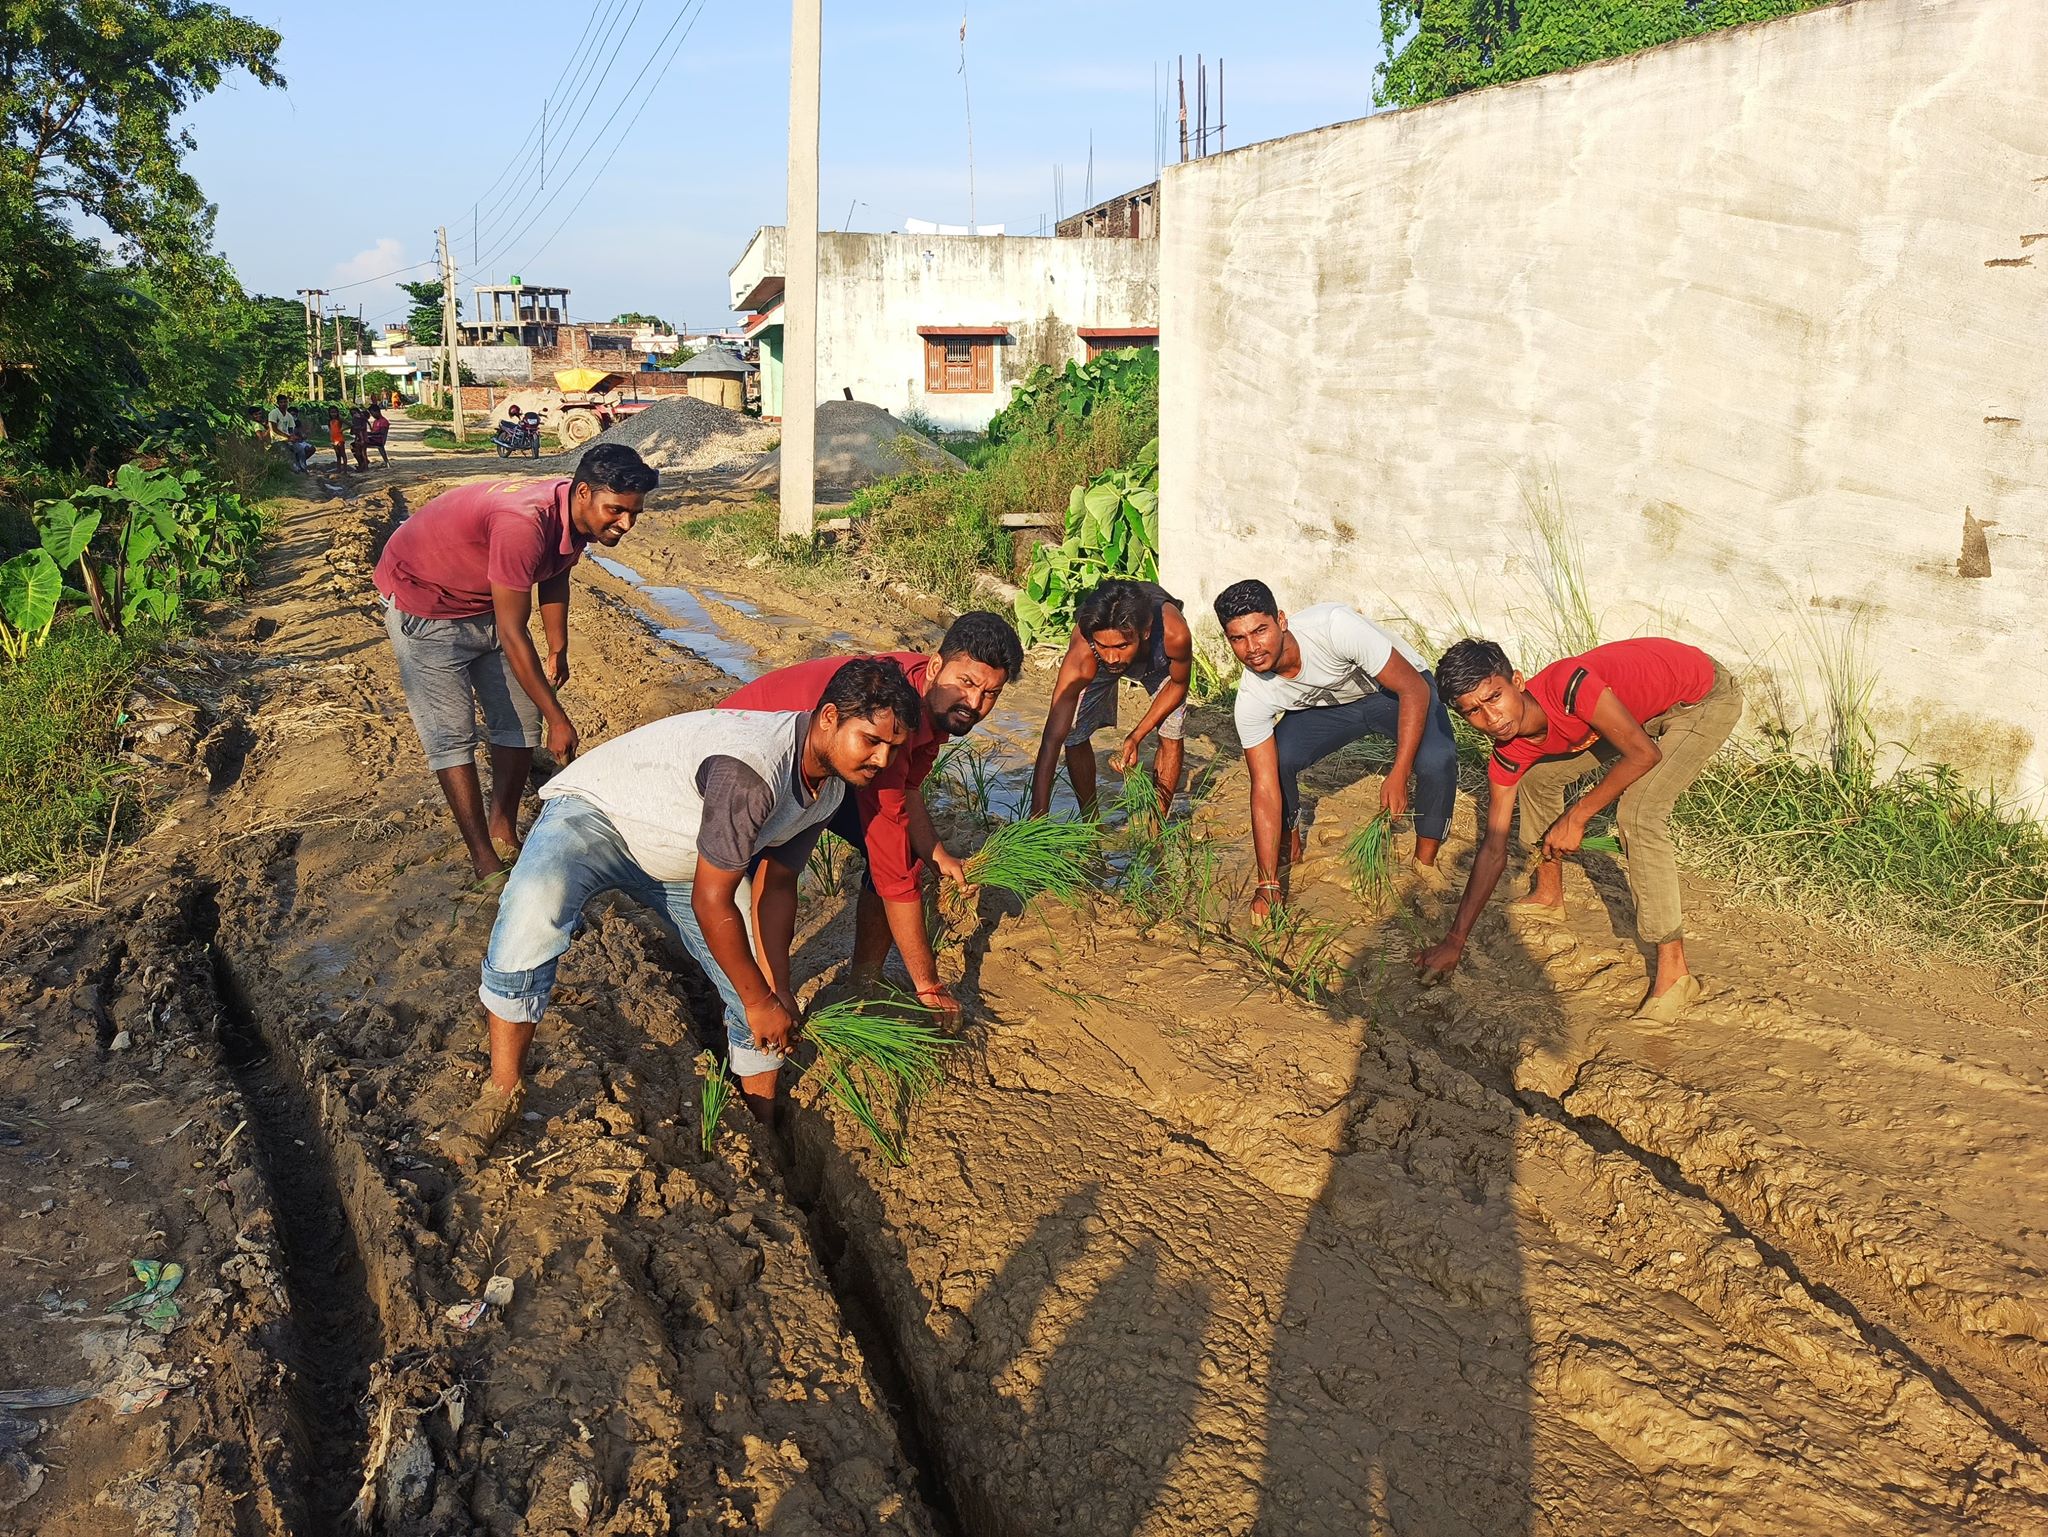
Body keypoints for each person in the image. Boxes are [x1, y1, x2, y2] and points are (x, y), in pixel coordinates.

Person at [440, 660, 924, 1164]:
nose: (882, 759)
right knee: (531, 913)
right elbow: (711, 900)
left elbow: (777, 884)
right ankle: (502, 1090)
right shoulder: (755, 770)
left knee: (753, 981)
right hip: (602, 817)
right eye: (871, 740)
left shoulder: (830, 788)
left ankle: (763, 1128)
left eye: (893, 747)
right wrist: (762, 1004)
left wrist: (775, 988)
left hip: (685, 855)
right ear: (828, 717)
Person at [1414, 636, 1743, 1022]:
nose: (1492, 718)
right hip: (1635, 710)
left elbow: (1644, 753)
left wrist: (1578, 815)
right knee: (1539, 779)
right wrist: (1455, 941)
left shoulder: (1569, 687)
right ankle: (1549, 894)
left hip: (1700, 697)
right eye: (1473, 711)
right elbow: (1493, 849)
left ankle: (1675, 974)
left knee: (1639, 812)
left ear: (1517, 680)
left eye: (1494, 697)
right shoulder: (1508, 754)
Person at [373, 443, 659, 878]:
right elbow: (512, 633)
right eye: (617, 511)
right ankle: (482, 857)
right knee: (452, 734)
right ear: (584, 492)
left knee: (521, 723)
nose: (627, 524)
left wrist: (558, 648)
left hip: (485, 598)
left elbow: (556, 574)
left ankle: (503, 828)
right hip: (426, 604)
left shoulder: (574, 514)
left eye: (634, 513)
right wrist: (559, 718)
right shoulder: (522, 524)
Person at [720, 613, 1024, 1011]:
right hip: (750, 763)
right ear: (936, 665)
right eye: (967, 684)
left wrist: (936, 853)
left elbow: (908, 787)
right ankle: (752, 1005)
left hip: (828, 764)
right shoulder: (890, 723)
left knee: (908, 856)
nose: (975, 704)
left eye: (991, 694)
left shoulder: (935, 702)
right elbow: (891, 864)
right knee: (741, 895)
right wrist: (928, 985)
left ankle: (863, 981)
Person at [1214, 580, 1459, 919]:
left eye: (1260, 631)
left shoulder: (1333, 626)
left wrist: (1399, 773)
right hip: (1337, 706)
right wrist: (1266, 883)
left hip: (1395, 689)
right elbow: (1264, 786)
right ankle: (1289, 841)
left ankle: (1426, 860)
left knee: (1437, 759)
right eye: (1238, 639)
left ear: (1281, 621)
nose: (1252, 648)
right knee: (1278, 758)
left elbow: (1414, 689)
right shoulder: (1252, 696)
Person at [1028, 578, 1191, 819]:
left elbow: (1178, 685)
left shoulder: (1173, 634)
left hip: (1157, 662)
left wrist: (1136, 735)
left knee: (1172, 732)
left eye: (1122, 646)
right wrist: (1036, 819)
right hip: (1096, 662)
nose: (1113, 657)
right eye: (1104, 646)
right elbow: (1053, 738)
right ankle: (1091, 823)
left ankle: (1156, 824)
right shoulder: (1085, 650)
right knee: (1074, 733)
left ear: (1145, 632)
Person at [348, 407, 370, 472]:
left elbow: (363, 428)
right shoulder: (354, 421)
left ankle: (365, 467)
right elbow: (351, 432)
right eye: (352, 414)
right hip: (357, 439)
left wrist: (356, 428)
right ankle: (361, 464)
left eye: (355, 413)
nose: (354, 414)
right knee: (357, 452)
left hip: (363, 438)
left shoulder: (362, 420)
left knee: (363, 453)